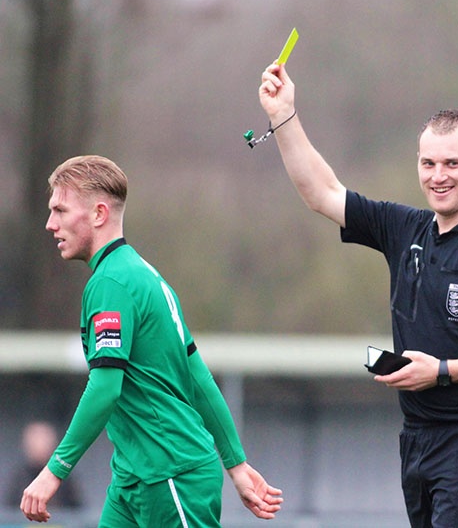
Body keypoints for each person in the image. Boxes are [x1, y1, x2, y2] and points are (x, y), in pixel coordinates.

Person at [258, 63, 458, 528]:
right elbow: (321, 193)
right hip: (417, 438)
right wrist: (284, 116)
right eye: (428, 163)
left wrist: (442, 372)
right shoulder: (405, 228)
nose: (439, 176)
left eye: (452, 163)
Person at [21, 155, 283, 525]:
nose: (50, 224)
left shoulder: (111, 283)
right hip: (133, 478)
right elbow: (198, 377)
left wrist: (54, 471)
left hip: (171, 473)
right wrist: (236, 465)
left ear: (98, 214)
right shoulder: (142, 275)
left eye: (60, 210)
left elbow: (105, 388)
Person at [5, 421, 82, 509]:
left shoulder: (64, 476)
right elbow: (11, 511)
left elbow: (75, 510)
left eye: (44, 440)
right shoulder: (19, 478)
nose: (40, 445)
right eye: (35, 440)